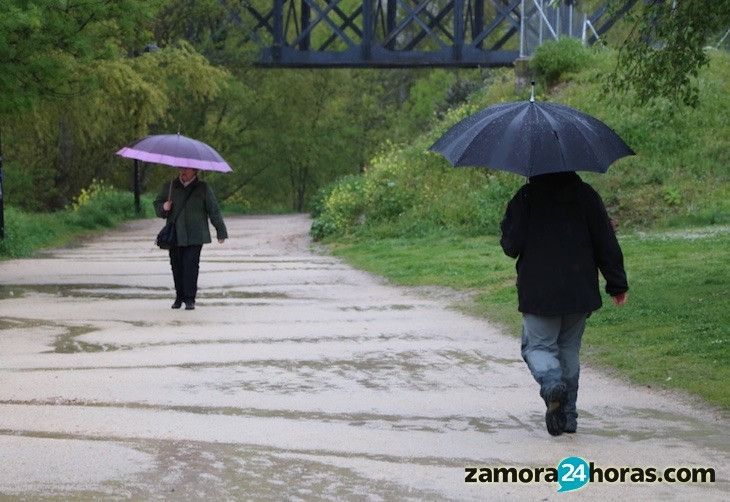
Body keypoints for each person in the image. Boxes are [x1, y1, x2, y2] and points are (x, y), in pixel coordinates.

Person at [499, 171, 628, 436]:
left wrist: (509, 223)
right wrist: (617, 284)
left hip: (539, 290)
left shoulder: (526, 197)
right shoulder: (587, 195)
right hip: (579, 289)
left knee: (537, 347)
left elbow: (511, 246)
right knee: (568, 348)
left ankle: (551, 382)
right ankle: (568, 416)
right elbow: (606, 241)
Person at [154, 168, 228, 310]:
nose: (183, 171)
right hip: (174, 235)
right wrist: (164, 206)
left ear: (195, 171)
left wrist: (221, 231)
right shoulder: (170, 186)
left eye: (186, 169)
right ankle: (179, 297)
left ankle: (189, 298)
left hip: (196, 235)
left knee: (191, 266)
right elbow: (158, 205)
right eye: (181, 168)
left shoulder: (203, 188)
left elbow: (214, 210)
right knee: (176, 266)